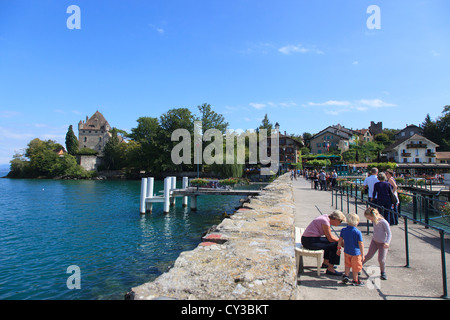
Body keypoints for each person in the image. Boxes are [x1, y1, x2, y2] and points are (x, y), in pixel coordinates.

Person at [301, 210, 347, 276]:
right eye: (340, 221)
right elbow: (330, 238)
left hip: (308, 239)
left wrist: (339, 241)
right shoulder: (325, 221)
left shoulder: (325, 217)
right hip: (309, 242)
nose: (340, 223)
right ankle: (330, 269)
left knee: (330, 242)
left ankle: (326, 263)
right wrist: (340, 242)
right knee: (335, 245)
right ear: (335, 219)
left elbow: (329, 238)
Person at [363, 207, 391, 280]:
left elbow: (389, 233)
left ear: (373, 216)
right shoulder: (374, 221)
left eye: (369, 218)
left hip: (382, 243)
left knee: (381, 259)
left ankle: (383, 272)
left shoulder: (383, 222)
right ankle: (358, 266)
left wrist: (387, 242)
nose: (369, 220)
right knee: (368, 256)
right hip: (374, 241)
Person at [337, 213, 365, 286]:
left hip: (346, 251)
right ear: (357, 222)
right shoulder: (357, 232)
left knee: (347, 264)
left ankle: (346, 276)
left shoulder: (343, 230)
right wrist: (362, 254)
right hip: (356, 253)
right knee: (356, 267)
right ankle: (355, 280)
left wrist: (339, 248)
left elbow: (340, 240)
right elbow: (360, 244)